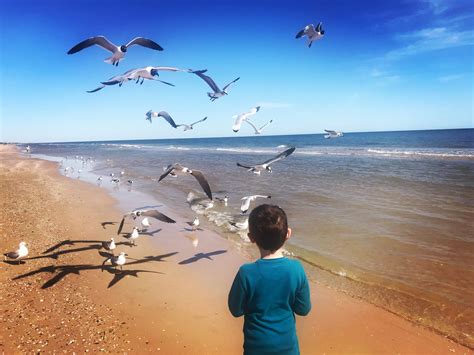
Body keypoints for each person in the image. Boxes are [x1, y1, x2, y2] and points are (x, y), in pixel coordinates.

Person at [228, 204, 311, 355]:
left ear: (251, 237)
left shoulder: (246, 273)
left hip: (255, 349)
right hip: (288, 349)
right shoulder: (296, 269)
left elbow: (236, 310)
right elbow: (303, 309)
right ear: (288, 233)